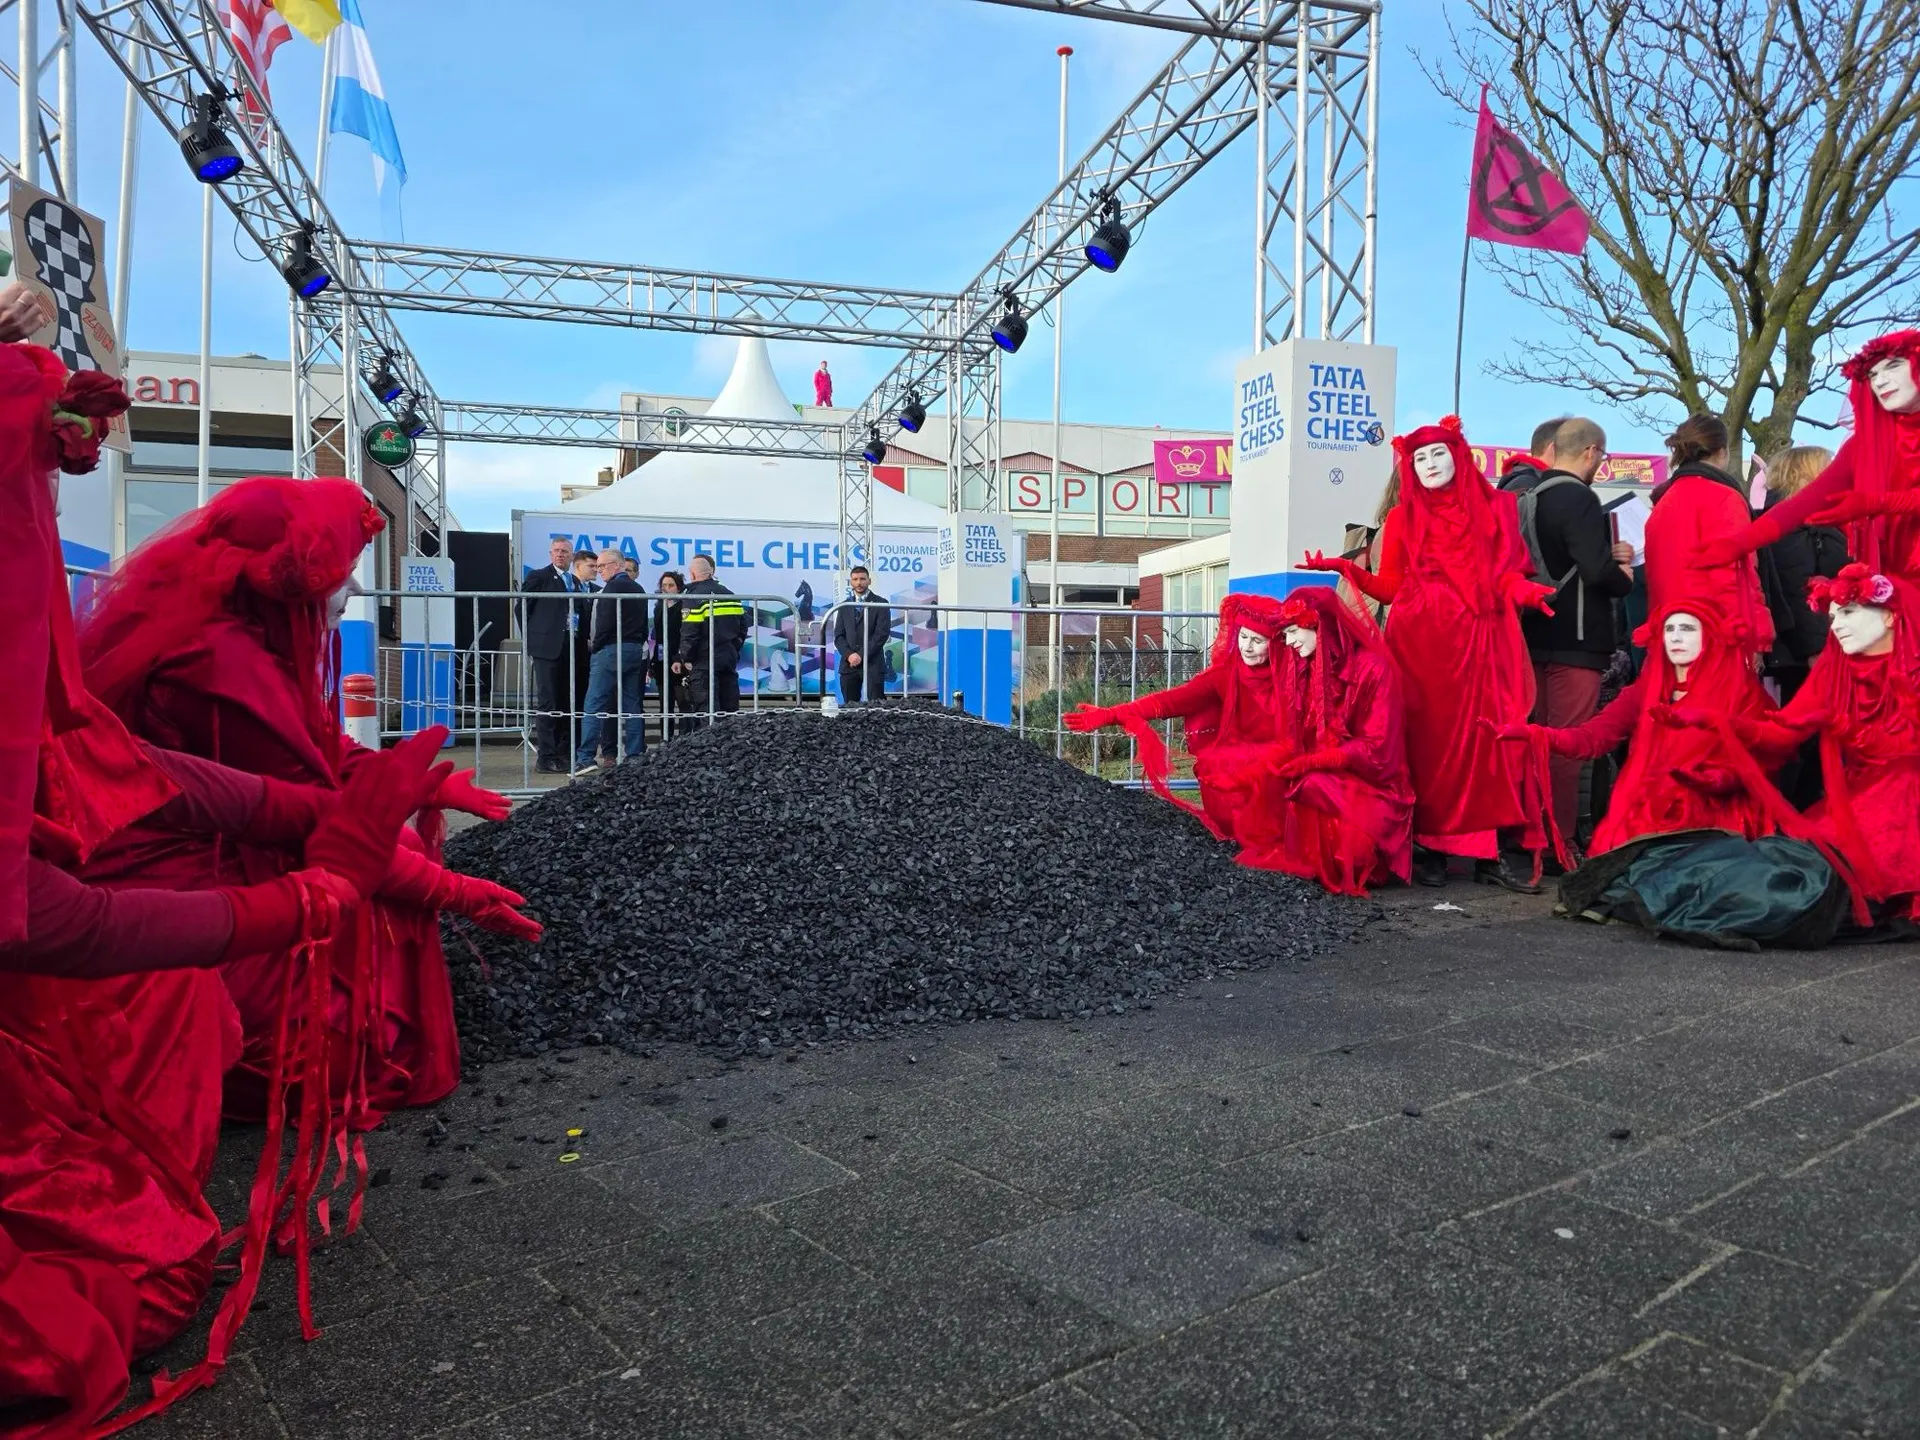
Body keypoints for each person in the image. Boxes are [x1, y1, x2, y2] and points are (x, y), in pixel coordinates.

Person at [0, 341, 445, 1434]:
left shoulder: (229, 638)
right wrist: (368, 889)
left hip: (141, 885)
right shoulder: (221, 660)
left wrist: (390, 852)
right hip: (129, 909)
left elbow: (224, 791)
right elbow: (60, 916)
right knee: (196, 1026)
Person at [77, 476, 539, 1132]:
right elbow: (315, 823)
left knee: (399, 857)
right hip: (177, 889)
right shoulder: (218, 669)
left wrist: (429, 785)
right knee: (386, 902)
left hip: (229, 838)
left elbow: (322, 759)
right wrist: (455, 890)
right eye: (343, 573)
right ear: (290, 580)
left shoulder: (242, 638)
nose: (352, 591)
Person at [1302, 415, 1552, 891]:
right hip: (1422, 647)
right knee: (1428, 746)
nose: (1429, 464)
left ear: (1459, 455)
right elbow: (1391, 589)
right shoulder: (1401, 520)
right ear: (1408, 468)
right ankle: (1431, 847)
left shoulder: (1496, 508)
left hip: (1482, 644)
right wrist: (1342, 568)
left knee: (1489, 745)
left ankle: (1488, 852)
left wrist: (1525, 593)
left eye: (1437, 453)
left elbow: (1506, 574)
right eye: (1419, 457)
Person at [1499, 601, 1791, 857]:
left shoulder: (1743, 694)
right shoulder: (1645, 692)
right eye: (1669, 629)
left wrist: (1715, 780)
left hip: (1719, 821)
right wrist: (1537, 734)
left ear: (1709, 636)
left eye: (1688, 629)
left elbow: (1769, 751)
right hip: (1649, 816)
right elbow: (1592, 738)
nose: (1676, 637)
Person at [1498, 417, 1637, 850]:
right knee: (1565, 748)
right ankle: (1557, 841)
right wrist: (1625, 575)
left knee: (1531, 739)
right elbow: (1597, 572)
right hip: (1576, 640)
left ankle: (1525, 832)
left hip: (1530, 634)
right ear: (1592, 452)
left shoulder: (1527, 496)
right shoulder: (1579, 498)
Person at [1698, 330, 1920, 580]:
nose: (1880, 381)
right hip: (1897, 582)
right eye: (1872, 374)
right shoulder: (1863, 447)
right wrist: (1738, 544)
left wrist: (1876, 503)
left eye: (1893, 365)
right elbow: (1801, 504)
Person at [1761, 445, 1848, 806]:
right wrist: (1814, 649)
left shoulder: (1801, 520)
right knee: (1810, 741)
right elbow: (1799, 590)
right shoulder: (1796, 524)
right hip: (1806, 654)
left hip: (1813, 647)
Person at [1645, 414, 1775, 651]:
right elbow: (1738, 572)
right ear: (1723, 451)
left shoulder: (1663, 503)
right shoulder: (1724, 497)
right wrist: (1752, 637)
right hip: (1718, 633)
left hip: (1671, 632)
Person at [575, 548, 649, 773]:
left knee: (594, 703)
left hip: (610, 650)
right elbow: (645, 625)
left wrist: (595, 647)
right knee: (632, 704)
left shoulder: (611, 589)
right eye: (596, 567)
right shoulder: (638, 589)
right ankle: (634, 754)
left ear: (616, 566)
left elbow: (605, 624)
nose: (599, 571)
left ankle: (586, 757)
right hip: (634, 650)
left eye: (603, 566)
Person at [519, 536, 580, 774]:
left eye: (565, 551)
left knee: (566, 701)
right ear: (550, 553)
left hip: (570, 647)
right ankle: (546, 756)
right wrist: (534, 638)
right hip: (547, 648)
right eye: (556, 550)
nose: (560, 554)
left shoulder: (573, 581)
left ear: (571, 555)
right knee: (549, 702)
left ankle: (563, 754)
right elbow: (522, 607)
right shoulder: (539, 577)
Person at [674, 554, 746, 726]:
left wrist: (686, 658)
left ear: (692, 574)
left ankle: (711, 750)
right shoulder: (729, 594)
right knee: (729, 711)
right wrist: (733, 647)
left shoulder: (693, 597)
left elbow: (690, 632)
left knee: (706, 712)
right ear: (711, 572)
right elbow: (743, 627)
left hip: (704, 660)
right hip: (728, 657)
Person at [833, 565, 891, 704]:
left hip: (873, 663)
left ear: (869, 581)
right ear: (851, 582)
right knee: (850, 706)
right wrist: (850, 655)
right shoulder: (844, 606)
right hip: (849, 664)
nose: (859, 582)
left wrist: (861, 655)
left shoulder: (881, 603)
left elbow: (881, 634)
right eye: (855, 579)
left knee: (876, 707)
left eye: (862, 579)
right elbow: (838, 636)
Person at [652, 570, 687, 737]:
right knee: (664, 703)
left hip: (679, 658)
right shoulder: (659, 607)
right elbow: (657, 636)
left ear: (679, 588)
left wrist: (679, 657)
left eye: (671, 585)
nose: (667, 588)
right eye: (664, 585)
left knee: (683, 701)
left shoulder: (684, 607)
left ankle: (686, 738)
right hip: (660, 659)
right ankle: (666, 738)